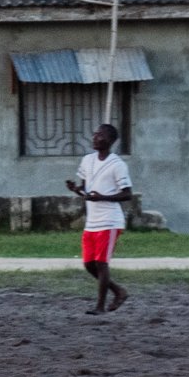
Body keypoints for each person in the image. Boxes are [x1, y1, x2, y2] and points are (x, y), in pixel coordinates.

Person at [65, 121, 133, 314]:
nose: (95, 138)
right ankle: (118, 291)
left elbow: (127, 194)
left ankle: (100, 307)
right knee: (88, 264)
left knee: (102, 264)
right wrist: (76, 189)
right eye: (95, 134)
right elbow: (86, 190)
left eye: (100, 135)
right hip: (92, 222)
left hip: (110, 221)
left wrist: (103, 197)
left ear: (110, 141)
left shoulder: (117, 165)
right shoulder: (87, 160)